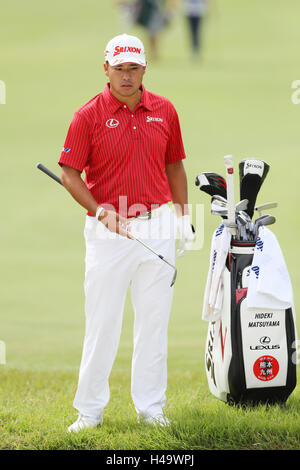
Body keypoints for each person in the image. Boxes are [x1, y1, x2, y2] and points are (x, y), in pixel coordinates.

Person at [58, 33, 195, 432]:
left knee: (154, 323)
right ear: (106, 69)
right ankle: (89, 411)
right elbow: (69, 172)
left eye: (134, 68)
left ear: (143, 69)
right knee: (103, 323)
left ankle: (151, 408)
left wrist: (184, 218)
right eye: (119, 69)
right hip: (108, 234)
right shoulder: (88, 116)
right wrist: (100, 212)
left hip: (157, 226)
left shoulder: (165, 111)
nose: (127, 76)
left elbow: (175, 166)